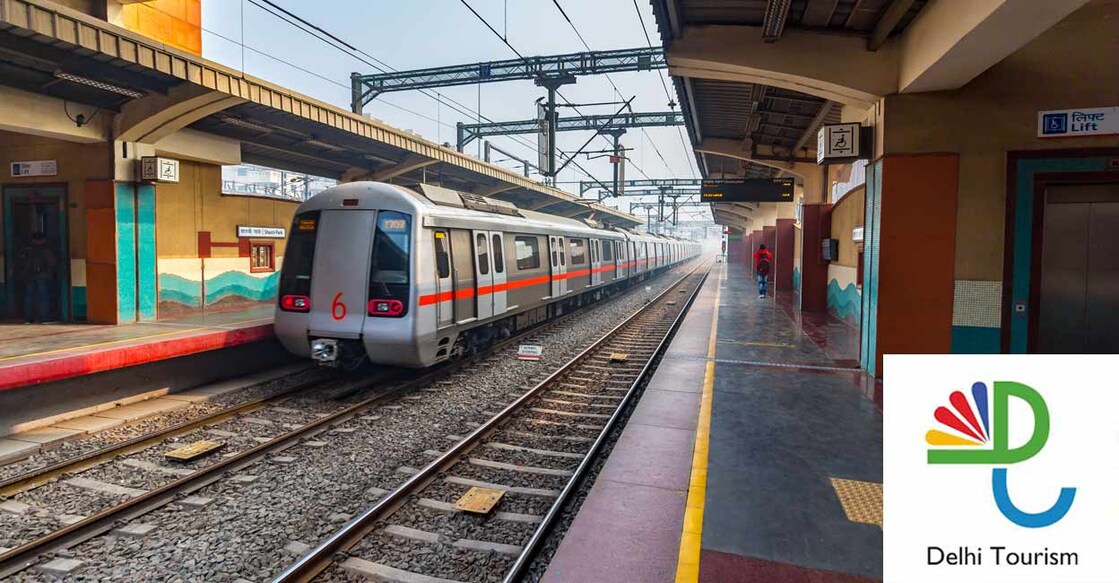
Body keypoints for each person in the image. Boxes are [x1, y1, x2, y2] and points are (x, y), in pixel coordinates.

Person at [18, 232, 57, 323]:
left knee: (29, 296)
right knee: (43, 296)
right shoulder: (46, 249)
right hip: (42, 275)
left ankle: (28, 317)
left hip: (28, 276)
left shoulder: (26, 249)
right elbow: (52, 263)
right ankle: (44, 317)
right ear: (43, 240)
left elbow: (21, 262)